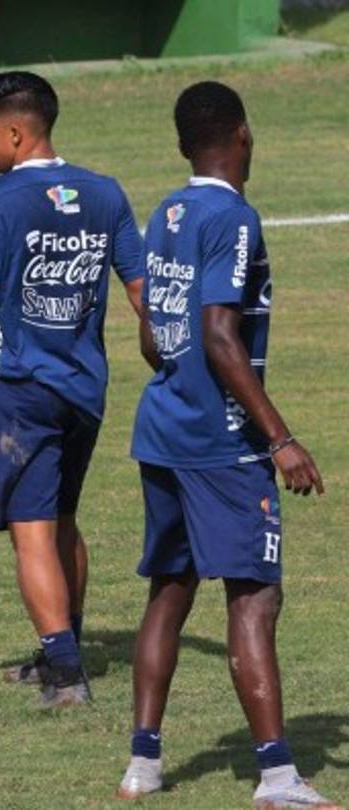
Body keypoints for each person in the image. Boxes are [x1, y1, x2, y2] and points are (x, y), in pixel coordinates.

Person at [116, 81, 337, 809]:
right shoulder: (233, 218)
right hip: (223, 447)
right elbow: (217, 333)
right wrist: (281, 438)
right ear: (243, 136)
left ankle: (143, 767)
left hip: (163, 431)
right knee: (254, 597)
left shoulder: (168, 211)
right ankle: (276, 776)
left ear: (184, 145)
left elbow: (156, 334)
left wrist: (181, 375)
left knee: (169, 593)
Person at [0, 71, 147, 708]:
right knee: (64, 518)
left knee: (31, 526)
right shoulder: (105, 193)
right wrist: (160, 349)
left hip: (20, 386)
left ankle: (67, 673)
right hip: (86, 388)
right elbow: (140, 288)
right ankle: (57, 646)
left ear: (16, 133)